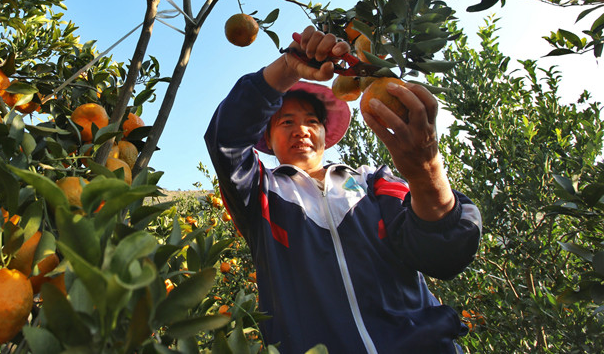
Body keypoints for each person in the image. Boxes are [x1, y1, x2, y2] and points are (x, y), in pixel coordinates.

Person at [205, 26, 482, 354]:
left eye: (311, 121)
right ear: (267, 137)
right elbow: (226, 138)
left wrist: (427, 173)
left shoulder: (372, 182)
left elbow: (444, 255)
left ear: (325, 132)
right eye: (286, 122)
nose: (302, 130)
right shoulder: (260, 193)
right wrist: (288, 67)